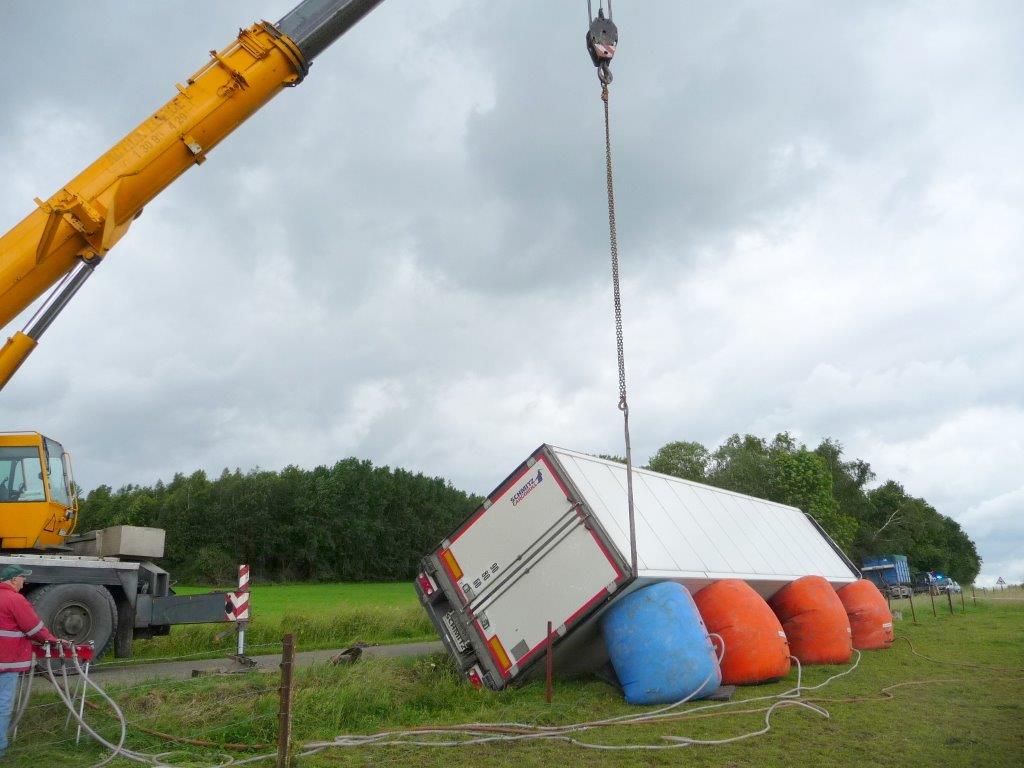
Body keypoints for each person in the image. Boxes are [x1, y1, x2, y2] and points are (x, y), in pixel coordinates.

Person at [0, 564, 64, 758]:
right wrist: (53, 641)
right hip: (6, 661)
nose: (24, 582)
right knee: (3, 703)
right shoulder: (14, 599)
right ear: (13, 580)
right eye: (22, 578)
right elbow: (34, 628)